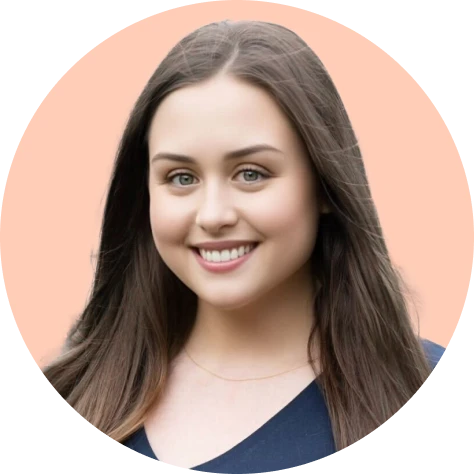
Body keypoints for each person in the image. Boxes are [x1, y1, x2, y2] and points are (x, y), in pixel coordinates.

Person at [42, 20, 446, 472]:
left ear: (324, 186)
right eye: (181, 178)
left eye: (251, 173)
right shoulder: (72, 390)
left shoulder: (416, 383)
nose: (212, 215)